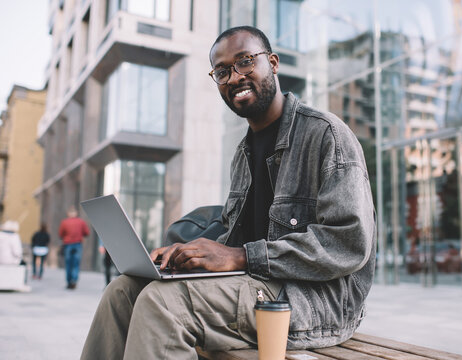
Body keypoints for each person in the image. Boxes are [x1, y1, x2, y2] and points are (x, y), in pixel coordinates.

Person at [81, 26, 376, 359]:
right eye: (222, 71)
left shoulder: (326, 135)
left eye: (245, 61)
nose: (235, 76)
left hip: (316, 302)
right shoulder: (243, 153)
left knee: (165, 304)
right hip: (257, 285)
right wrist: (187, 257)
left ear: (273, 63)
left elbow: (348, 243)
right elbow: (238, 242)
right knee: (122, 291)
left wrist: (241, 257)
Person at [58, 206, 90, 289]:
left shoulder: (64, 222)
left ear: (68, 213)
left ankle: (69, 282)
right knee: (76, 264)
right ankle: (74, 281)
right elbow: (87, 232)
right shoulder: (81, 222)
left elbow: (61, 234)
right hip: (78, 244)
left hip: (68, 244)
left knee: (68, 264)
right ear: (76, 213)